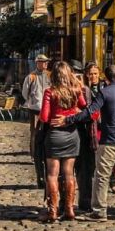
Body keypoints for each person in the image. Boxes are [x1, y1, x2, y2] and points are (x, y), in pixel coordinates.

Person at [67, 64, 115, 222]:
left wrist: (71, 119)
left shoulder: (105, 92)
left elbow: (90, 111)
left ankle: (99, 211)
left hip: (108, 141)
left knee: (101, 176)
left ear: (106, 78)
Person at [38, 61, 86, 222]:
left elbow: (44, 117)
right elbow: (84, 107)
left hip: (55, 136)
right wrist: (72, 113)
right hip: (72, 135)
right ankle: (69, 209)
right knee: (69, 173)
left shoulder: (50, 92)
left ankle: (53, 211)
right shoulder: (76, 90)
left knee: (52, 174)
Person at [77, 61, 104, 211]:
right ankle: (86, 200)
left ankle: (97, 200)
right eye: (90, 74)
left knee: (98, 169)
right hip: (85, 132)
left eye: (95, 74)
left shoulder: (103, 89)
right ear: (86, 75)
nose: (93, 76)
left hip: (100, 132)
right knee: (85, 169)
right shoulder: (83, 90)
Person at [22, 54, 51, 188]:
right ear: (37, 63)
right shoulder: (31, 76)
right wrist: (31, 100)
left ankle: (44, 153)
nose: (44, 64)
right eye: (42, 62)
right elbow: (25, 92)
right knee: (34, 132)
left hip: (48, 109)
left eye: (46, 62)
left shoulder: (50, 75)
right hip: (35, 108)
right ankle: (34, 155)